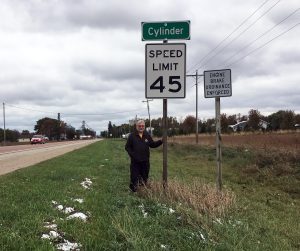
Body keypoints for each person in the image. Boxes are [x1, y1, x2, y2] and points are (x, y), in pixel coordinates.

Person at [125, 119, 163, 192]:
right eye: (139, 126)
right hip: (135, 162)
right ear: (136, 126)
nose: (141, 127)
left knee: (144, 177)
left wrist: (161, 141)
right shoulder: (132, 136)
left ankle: (142, 191)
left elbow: (152, 144)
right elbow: (127, 147)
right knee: (134, 177)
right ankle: (133, 191)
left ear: (144, 127)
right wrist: (133, 155)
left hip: (145, 161)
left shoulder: (147, 135)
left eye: (142, 126)